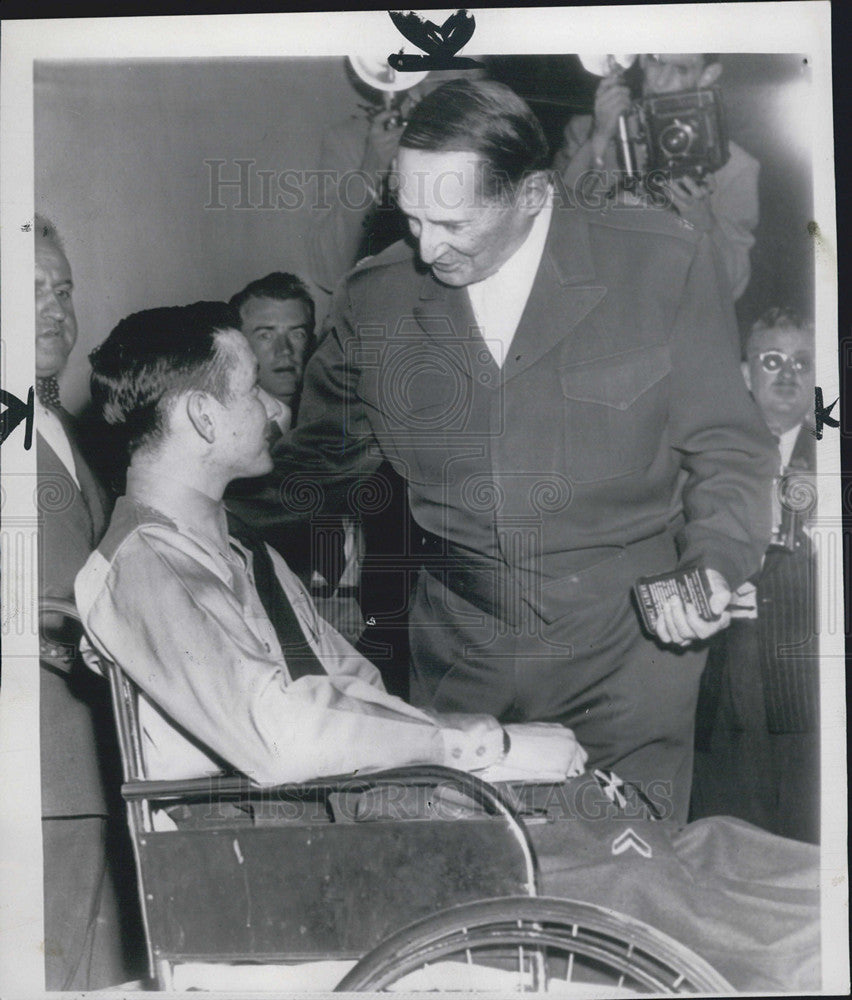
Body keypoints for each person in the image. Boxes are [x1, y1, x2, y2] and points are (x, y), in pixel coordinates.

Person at [225, 79, 778, 824]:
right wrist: (185, 517)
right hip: (460, 663)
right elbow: (314, 463)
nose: (426, 246)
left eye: (452, 222)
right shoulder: (381, 297)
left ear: (532, 193)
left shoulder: (658, 266)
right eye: (411, 216)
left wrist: (713, 560)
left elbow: (730, 449)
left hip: (625, 658)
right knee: (468, 893)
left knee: (621, 896)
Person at [75, 301, 587, 788]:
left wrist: (476, 752)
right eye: (253, 389)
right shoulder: (148, 564)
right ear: (203, 418)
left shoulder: (250, 555)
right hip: (237, 848)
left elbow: (355, 687)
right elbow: (283, 737)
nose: (274, 408)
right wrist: (485, 745)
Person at [34, 215, 142, 990]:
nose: (56, 310)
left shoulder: (63, 427)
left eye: (64, 289)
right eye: (32, 291)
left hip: (95, 767)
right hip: (38, 775)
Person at [691, 308, 819, 843]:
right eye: (772, 360)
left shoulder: (832, 455)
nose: (788, 373)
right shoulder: (707, 455)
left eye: (802, 361)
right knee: (727, 835)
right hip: (720, 676)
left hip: (808, 679)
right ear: (745, 374)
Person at [553, 54, 759, 300]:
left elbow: (732, 286)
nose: (661, 81)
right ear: (641, 61)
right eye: (656, 61)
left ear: (708, 75)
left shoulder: (734, 167)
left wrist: (704, 223)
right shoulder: (585, 132)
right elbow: (553, 237)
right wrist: (598, 139)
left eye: (681, 69)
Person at [227, 272, 363, 645]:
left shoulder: (335, 418)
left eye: (298, 333)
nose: (284, 351)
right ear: (238, 344)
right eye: (266, 334)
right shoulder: (232, 437)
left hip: (349, 619)